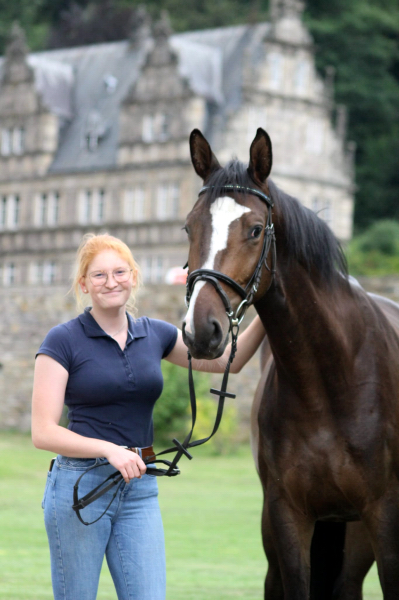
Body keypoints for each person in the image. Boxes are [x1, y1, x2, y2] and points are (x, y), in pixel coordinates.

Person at [31, 232, 266, 600]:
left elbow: (228, 362)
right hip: (80, 489)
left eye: (120, 272)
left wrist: (268, 311)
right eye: (99, 275)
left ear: (134, 276)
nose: (111, 281)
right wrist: (111, 450)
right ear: (83, 285)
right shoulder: (62, 341)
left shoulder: (154, 334)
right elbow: (43, 432)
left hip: (139, 489)